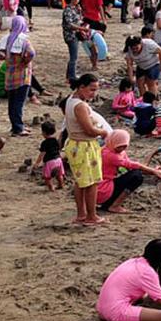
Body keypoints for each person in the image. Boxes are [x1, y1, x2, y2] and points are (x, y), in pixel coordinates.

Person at [64, 73, 111, 224]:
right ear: (81, 87)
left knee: (81, 181)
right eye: (91, 89)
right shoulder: (80, 106)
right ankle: (91, 215)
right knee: (91, 182)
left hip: (76, 144)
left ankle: (82, 214)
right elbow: (89, 130)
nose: (94, 93)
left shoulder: (71, 101)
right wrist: (102, 132)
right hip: (84, 146)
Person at [99, 129, 161, 213]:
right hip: (103, 189)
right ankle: (115, 205)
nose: (122, 149)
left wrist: (152, 171)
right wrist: (153, 171)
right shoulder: (109, 154)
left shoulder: (115, 150)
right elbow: (133, 165)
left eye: (124, 146)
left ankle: (112, 203)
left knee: (135, 174)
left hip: (107, 184)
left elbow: (130, 167)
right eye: (120, 146)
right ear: (113, 142)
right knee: (137, 177)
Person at [0, 16, 36, 137]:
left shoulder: (7, 38)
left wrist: (2, 57)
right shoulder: (24, 39)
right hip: (22, 75)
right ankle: (18, 128)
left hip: (10, 76)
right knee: (19, 103)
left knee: (12, 103)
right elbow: (31, 53)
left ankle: (16, 125)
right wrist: (25, 62)